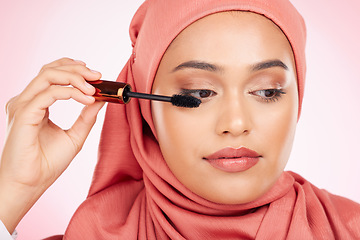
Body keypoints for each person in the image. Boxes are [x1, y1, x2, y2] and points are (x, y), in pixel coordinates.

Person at [1, 0, 360, 239]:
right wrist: (14, 190)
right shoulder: (95, 232)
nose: (235, 123)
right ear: (145, 107)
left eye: (267, 91)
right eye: (200, 93)